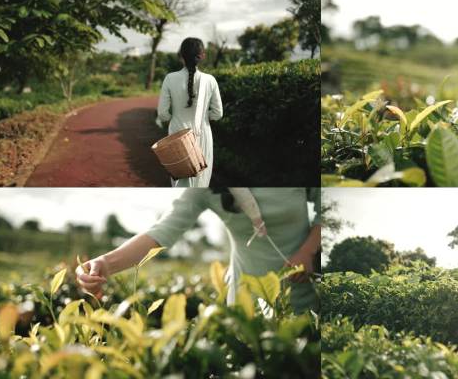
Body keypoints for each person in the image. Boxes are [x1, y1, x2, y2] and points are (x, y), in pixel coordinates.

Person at [75, 188, 320, 314]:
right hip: (246, 301)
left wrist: (308, 252)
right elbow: (162, 231)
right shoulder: (207, 181)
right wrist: (104, 264)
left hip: (305, 291)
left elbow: (327, 208)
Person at [157, 37, 223, 187]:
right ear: (202, 55)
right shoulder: (210, 80)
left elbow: (162, 114)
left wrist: (174, 117)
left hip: (177, 135)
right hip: (202, 135)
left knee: (179, 183)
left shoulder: (170, 78)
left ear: (181, 56)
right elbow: (218, 113)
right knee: (201, 182)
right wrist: (205, 117)